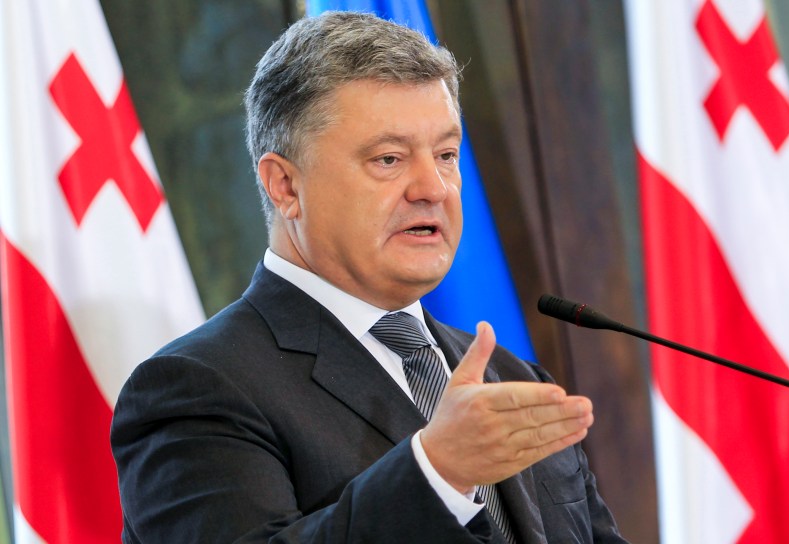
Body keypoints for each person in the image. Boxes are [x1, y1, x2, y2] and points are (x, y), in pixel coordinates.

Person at [111, 11, 628, 544]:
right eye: (388, 158)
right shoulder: (195, 388)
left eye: (446, 154)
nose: (434, 187)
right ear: (284, 185)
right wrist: (435, 473)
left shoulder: (514, 380)